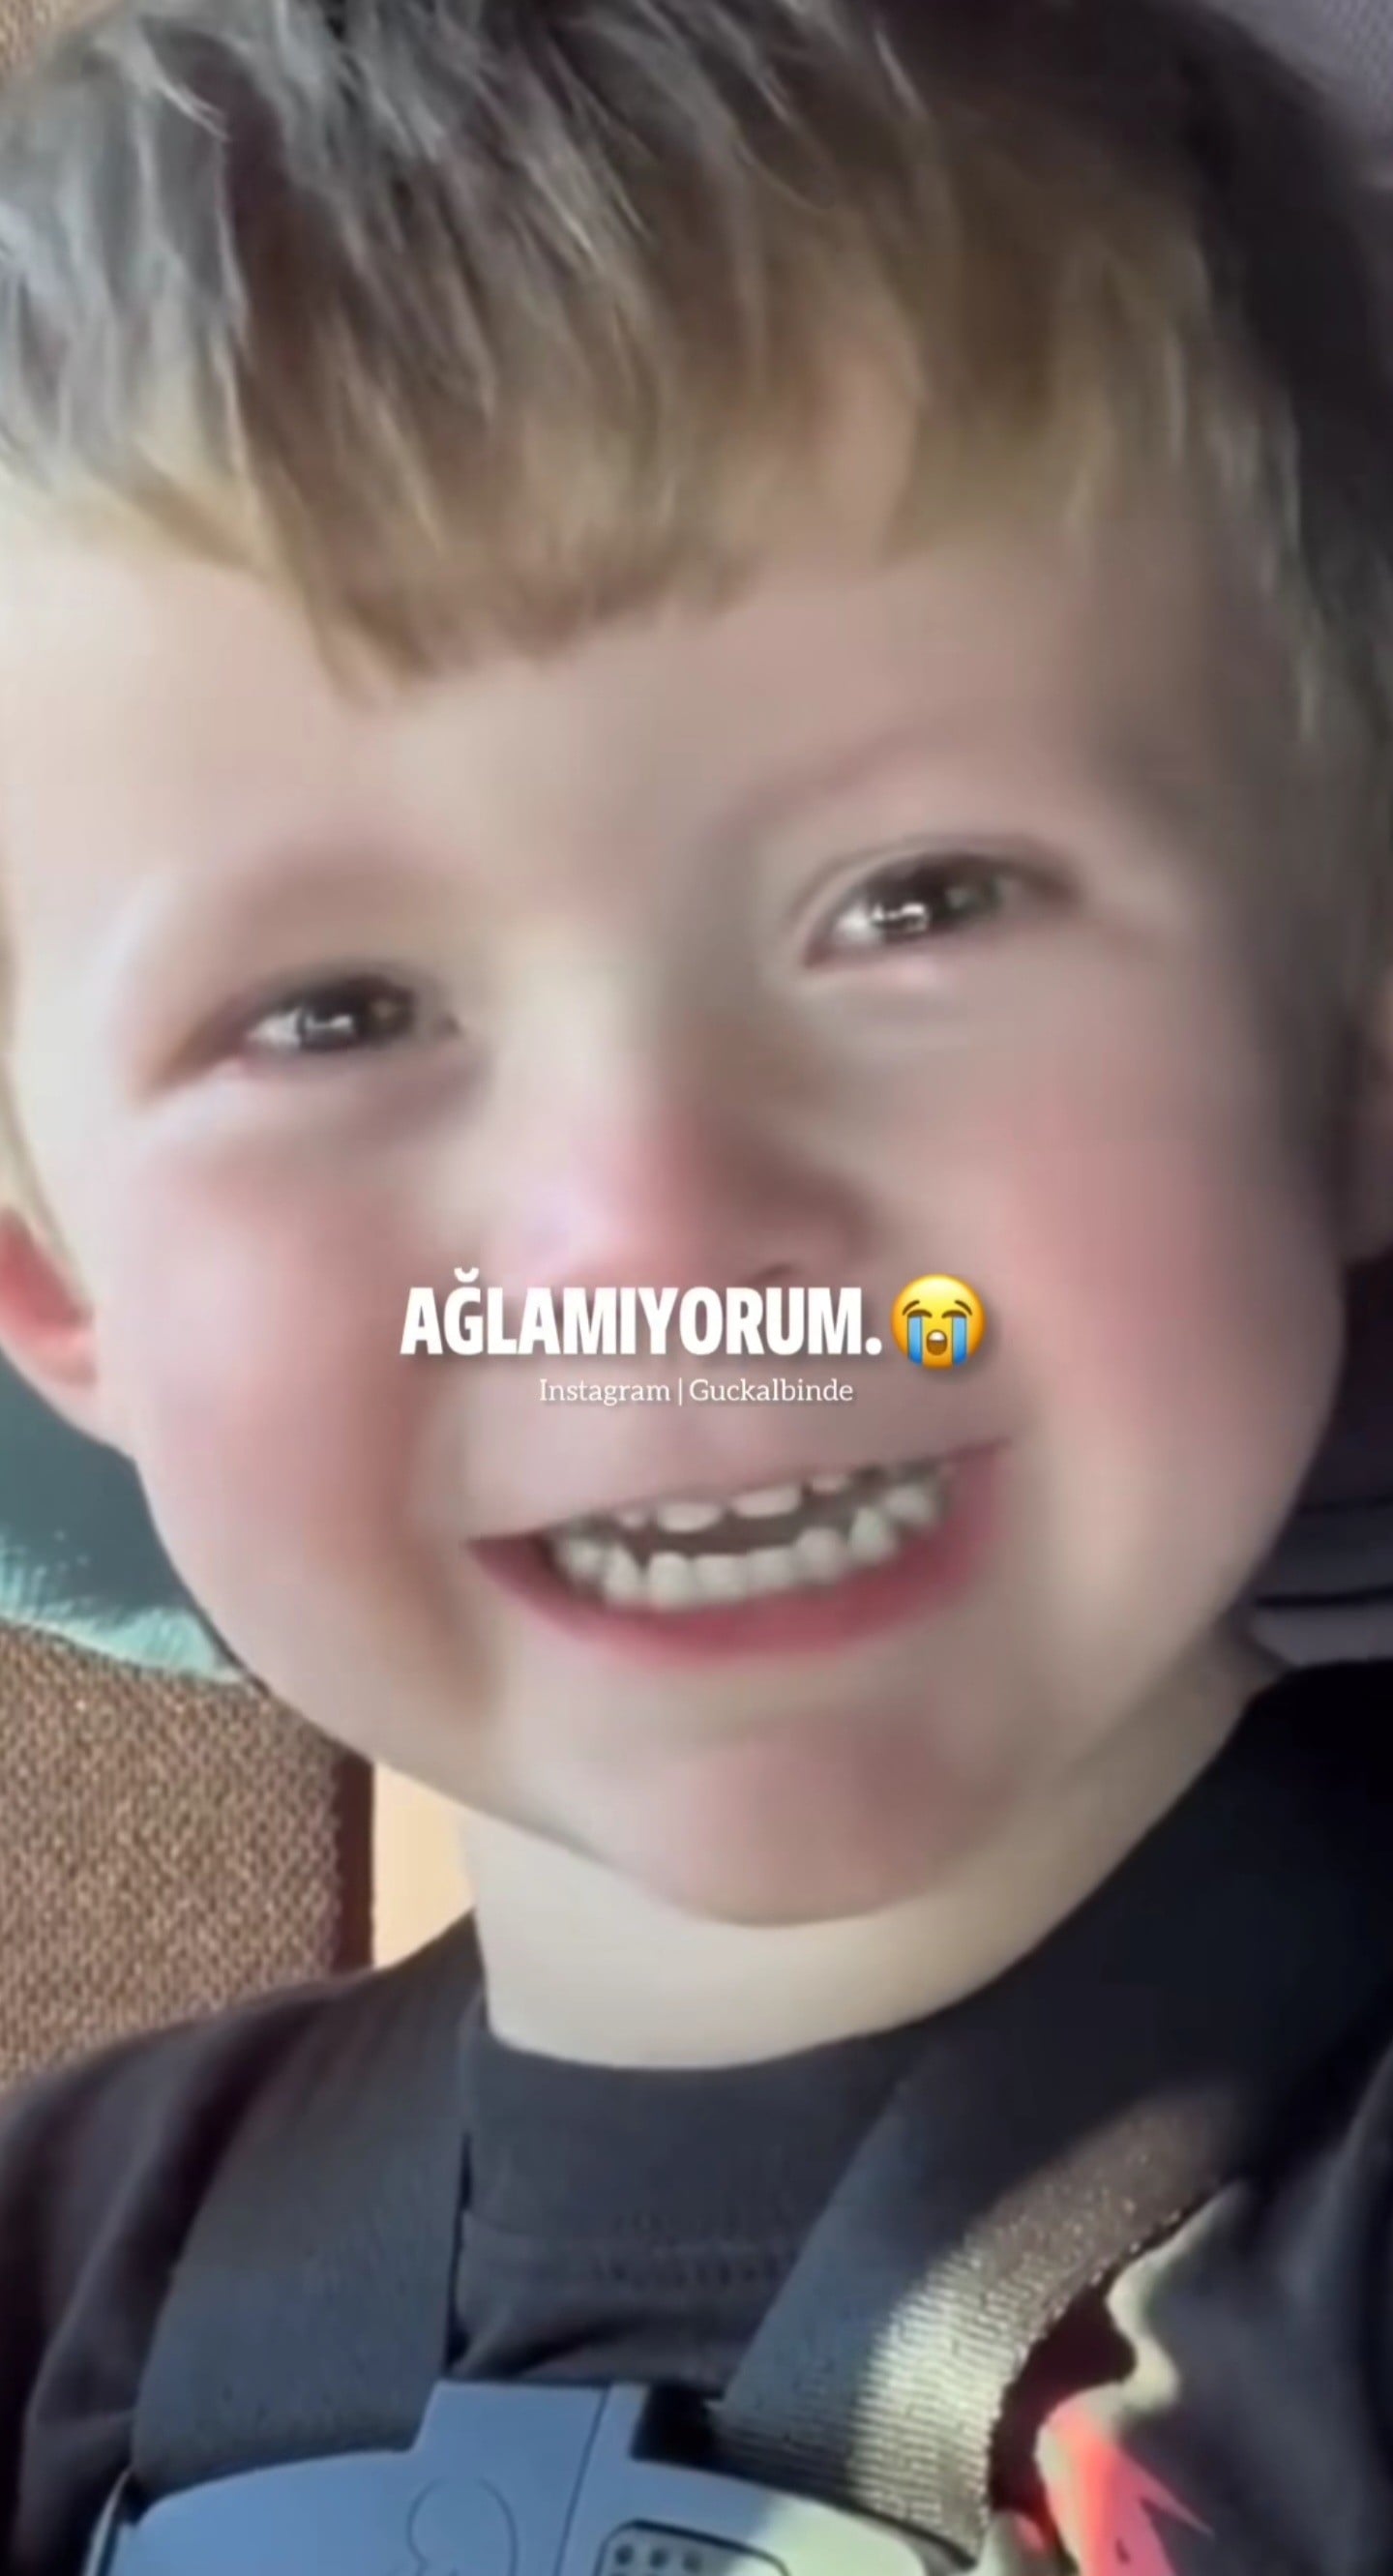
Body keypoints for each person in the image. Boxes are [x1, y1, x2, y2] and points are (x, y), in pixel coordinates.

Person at [2, 0, 1393, 2568]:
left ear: (1351, 1054)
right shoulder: (49, 2281)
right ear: (52, 1279)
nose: (647, 1239)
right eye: (334, 1015)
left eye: (923, 900)